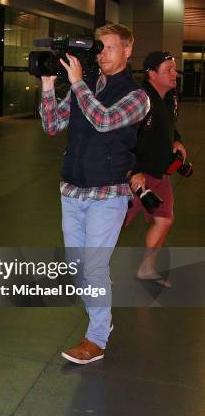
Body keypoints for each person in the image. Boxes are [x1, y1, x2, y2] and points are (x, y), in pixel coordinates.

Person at [39, 23, 150, 364]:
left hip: (108, 193)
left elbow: (103, 120)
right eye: (98, 48)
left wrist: (75, 83)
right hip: (72, 190)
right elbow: (52, 125)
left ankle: (97, 339)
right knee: (78, 269)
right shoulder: (84, 86)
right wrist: (47, 87)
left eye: (110, 47)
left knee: (95, 267)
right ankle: (104, 319)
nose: (101, 54)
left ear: (128, 50)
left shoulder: (137, 96)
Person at [124, 52, 186, 288]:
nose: (174, 74)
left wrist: (177, 139)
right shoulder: (139, 100)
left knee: (164, 220)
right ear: (151, 73)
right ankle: (93, 273)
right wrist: (135, 171)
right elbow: (126, 138)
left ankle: (146, 269)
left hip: (160, 174)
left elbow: (170, 126)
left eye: (175, 69)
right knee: (115, 224)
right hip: (139, 175)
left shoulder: (170, 98)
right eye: (168, 69)